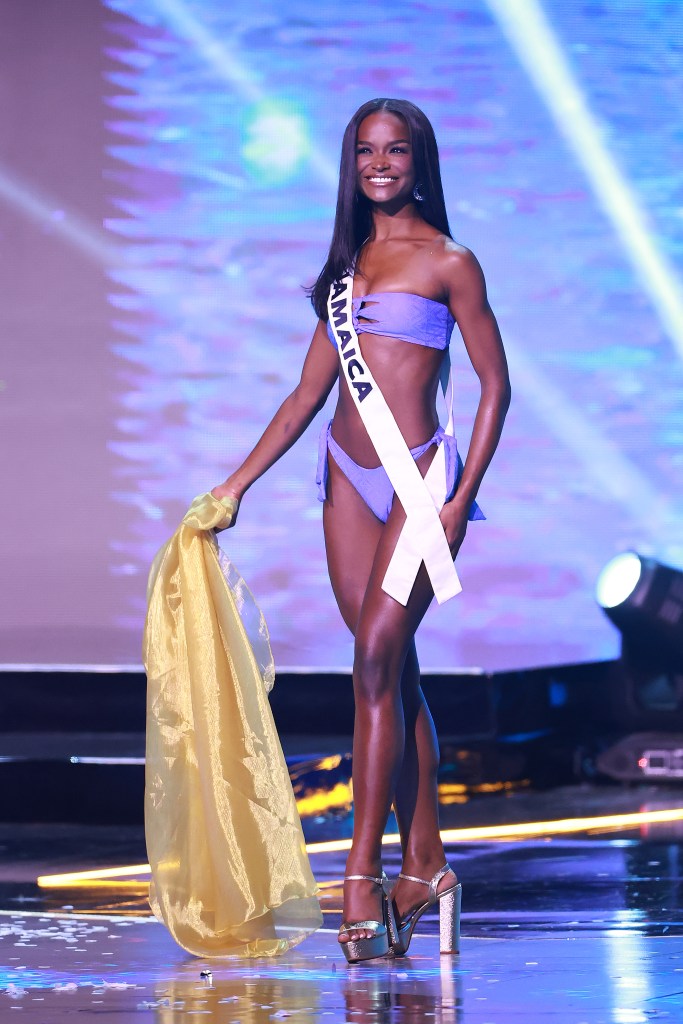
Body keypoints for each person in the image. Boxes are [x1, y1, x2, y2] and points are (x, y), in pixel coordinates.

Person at [211, 97, 510, 962]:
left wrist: (458, 501)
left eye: (396, 150)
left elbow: (494, 386)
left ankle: (359, 873)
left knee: (375, 659)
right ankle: (428, 867)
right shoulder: (343, 271)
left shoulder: (450, 262)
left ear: (420, 160)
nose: (380, 164)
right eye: (366, 152)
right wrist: (234, 485)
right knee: (393, 669)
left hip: (419, 483)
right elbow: (307, 397)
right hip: (344, 481)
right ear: (352, 164)